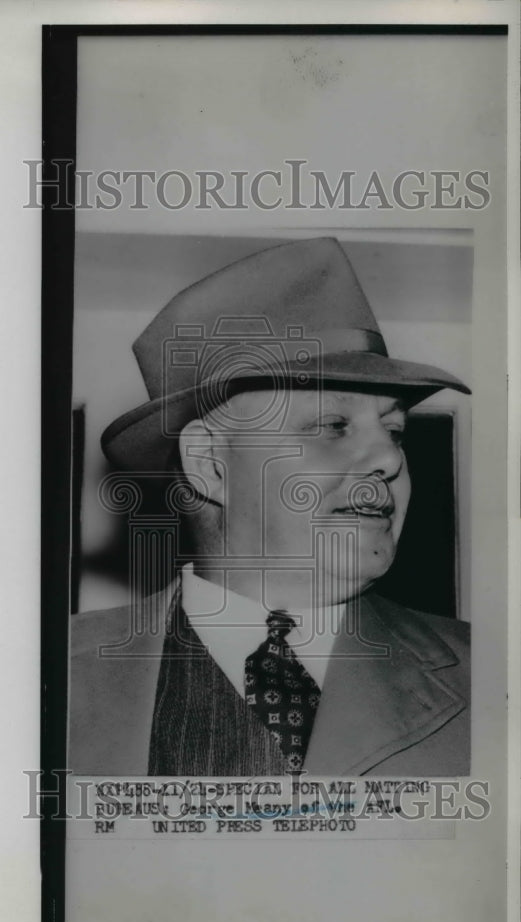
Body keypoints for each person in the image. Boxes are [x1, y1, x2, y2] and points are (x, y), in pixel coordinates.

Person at [68, 237, 470, 777]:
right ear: (209, 464)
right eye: (332, 425)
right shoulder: (45, 678)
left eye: (394, 431)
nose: (387, 458)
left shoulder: (493, 674)